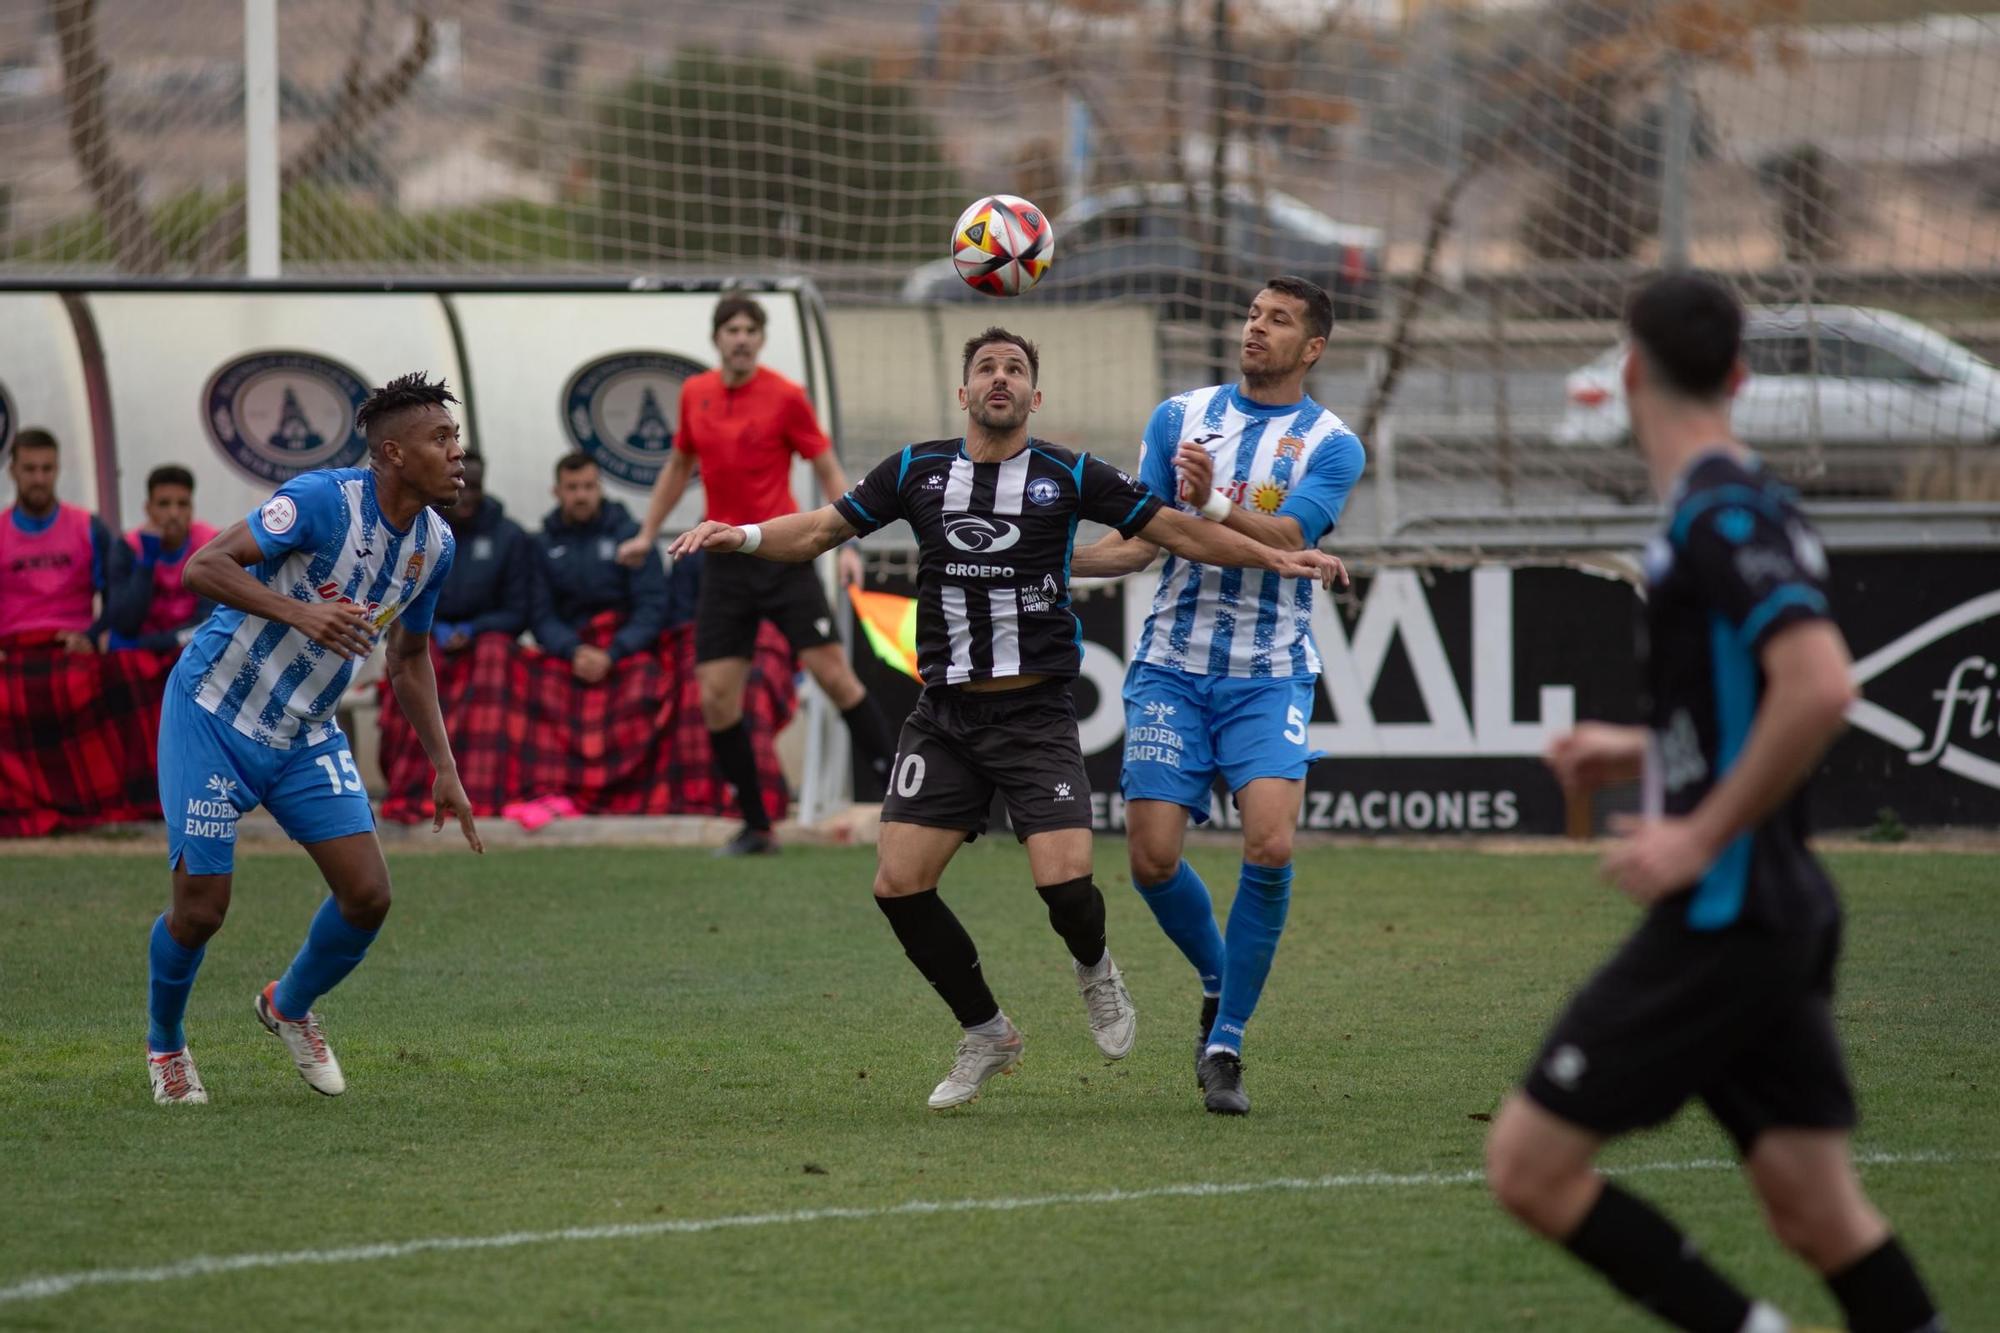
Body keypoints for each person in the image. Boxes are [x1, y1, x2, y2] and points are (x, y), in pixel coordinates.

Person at [670, 327, 1348, 1111]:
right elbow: (820, 529)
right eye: (986, 368)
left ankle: (1095, 968)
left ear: (1035, 396)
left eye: (1016, 369)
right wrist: (743, 533)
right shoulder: (916, 469)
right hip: (945, 713)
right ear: (963, 393)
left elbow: (1177, 531)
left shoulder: (1068, 472)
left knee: (1064, 887)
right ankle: (987, 1030)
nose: (1001, 378)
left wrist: (1277, 557)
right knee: (898, 884)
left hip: (1034, 714)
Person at [1483, 273, 1944, 1333]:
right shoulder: (1751, 500)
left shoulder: (1718, 513)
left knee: (1527, 1165)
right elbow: (1770, 702)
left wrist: (1694, 828)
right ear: (1736, 376)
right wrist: (1642, 751)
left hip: (1725, 919)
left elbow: (1820, 685)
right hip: (1779, 910)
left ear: (1631, 370)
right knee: (1816, 1212)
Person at [144, 373, 483, 1107]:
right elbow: (202, 566)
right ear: (392, 453)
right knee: (201, 910)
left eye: (455, 438)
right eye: (442, 439)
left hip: (302, 732)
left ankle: (287, 1004)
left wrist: (444, 766)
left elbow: (409, 657)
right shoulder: (324, 501)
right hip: (214, 714)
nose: (458, 453)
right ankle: (166, 1043)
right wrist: (299, 614)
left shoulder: (435, 546)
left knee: (368, 895)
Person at [1073, 276, 1366, 1116]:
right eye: (1252, 314)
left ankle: (1227, 1039)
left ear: (1312, 347)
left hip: (1270, 669)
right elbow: (1140, 543)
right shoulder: (1180, 417)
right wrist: (1043, 564)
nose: (1256, 328)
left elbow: (1289, 536)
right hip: (1172, 663)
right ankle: (1217, 978)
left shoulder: (1331, 444)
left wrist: (1212, 498)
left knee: (1270, 844)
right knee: (1151, 858)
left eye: (1278, 321)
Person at [618, 293, 897, 856]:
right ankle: (756, 826)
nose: (741, 338)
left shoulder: (786, 397)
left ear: (761, 340)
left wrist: (848, 538)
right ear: (717, 339)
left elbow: (823, 462)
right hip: (723, 563)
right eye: (731, 329)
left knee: (835, 678)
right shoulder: (695, 395)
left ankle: (906, 808)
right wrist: (647, 534)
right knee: (716, 697)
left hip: (782, 557)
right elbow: (678, 464)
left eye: (750, 329)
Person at [531, 453, 669, 683]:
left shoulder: (632, 536)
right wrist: (573, 650)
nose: (581, 495)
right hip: (570, 651)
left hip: (626, 648)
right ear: (557, 492)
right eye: (572, 488)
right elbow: (540, 613)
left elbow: (652, 605)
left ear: (600, 488)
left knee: (646, 687)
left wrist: (614, 652)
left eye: (588, 486)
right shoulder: (542, 544)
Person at [0, 428, 111, 654]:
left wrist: (91, 638)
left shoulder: (90, 527)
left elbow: (117, 598)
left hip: (73, 649)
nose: (39, 479)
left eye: (47, 469)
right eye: (30, 469)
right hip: (11, 652)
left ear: (58, 469)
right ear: (13, 471)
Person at [104, 464, 219, 652]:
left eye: (182, 504)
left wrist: (144, 644)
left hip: (191, 649)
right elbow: (124, 623)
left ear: (192, 508)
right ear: (148, 508)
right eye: (164, 504)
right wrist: (147, 561)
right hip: (143, 656)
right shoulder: (127, 547)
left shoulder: (210, 545)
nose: (174, 514)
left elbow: (209, 623)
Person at [428, 450, 534, 652]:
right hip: (429, 635)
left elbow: (518, 612)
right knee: (411, 652)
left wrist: (473, 629)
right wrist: (433, 628)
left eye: (474, 488)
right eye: (459, 485)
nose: (466, 497)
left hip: (489, 638)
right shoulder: (419, 532)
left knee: (492, 652)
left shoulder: (511, 536)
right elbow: (397, 605)